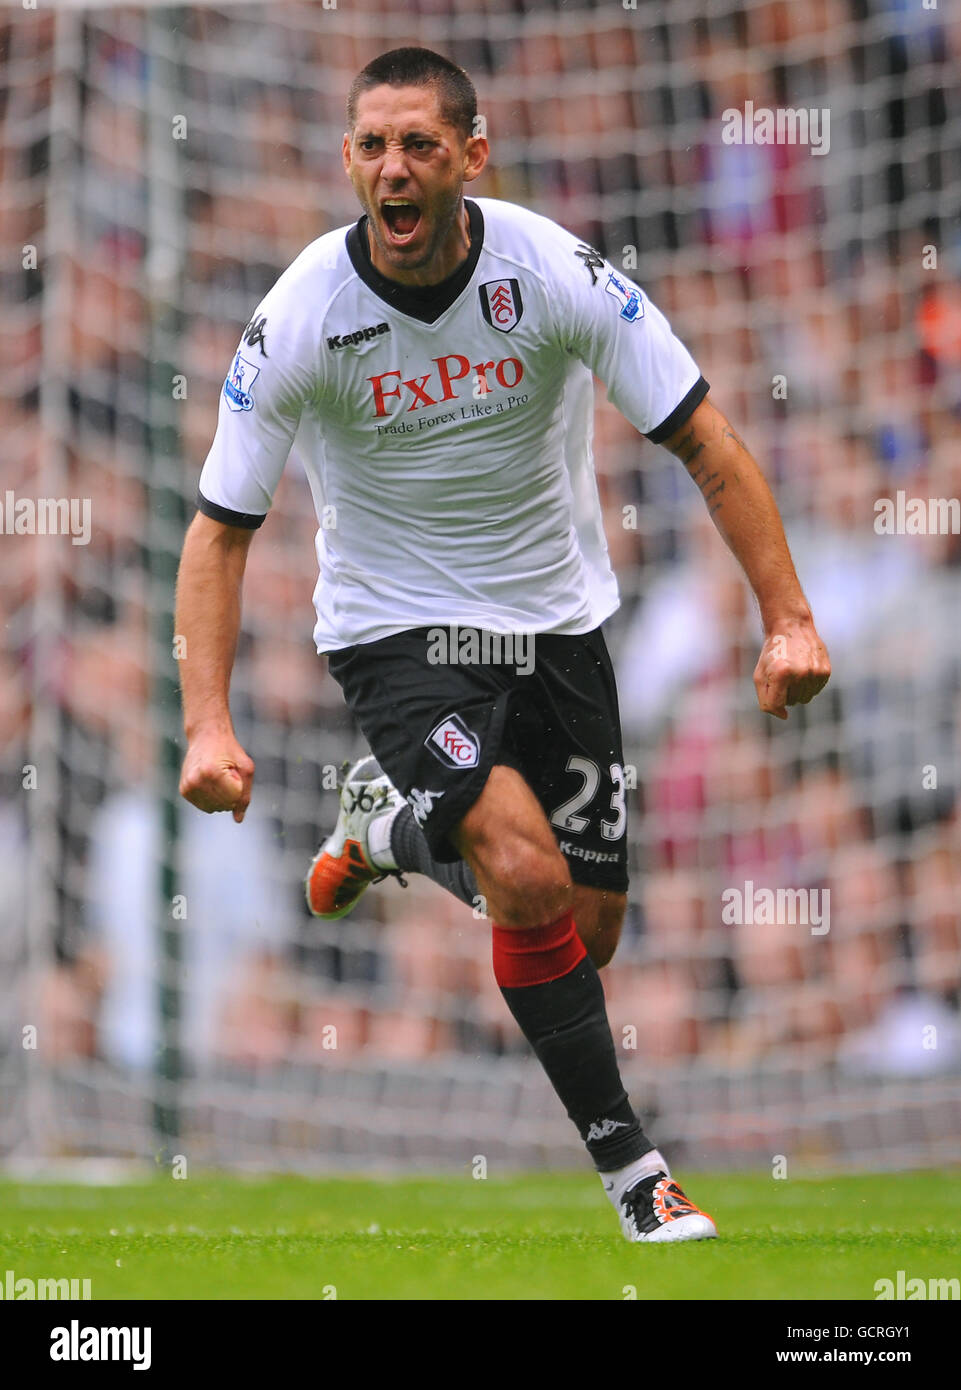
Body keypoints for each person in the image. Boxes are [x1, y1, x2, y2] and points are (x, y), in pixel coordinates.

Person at [176, 47, 831, 1243]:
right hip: (395, 628)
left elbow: (708, 441)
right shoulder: (302, 314)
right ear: (347, 161)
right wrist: (208, 722)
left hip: (558, 620)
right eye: (372, 145)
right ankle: (638, 1176)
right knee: (522, 874)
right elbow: (220, 532)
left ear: (472, 155)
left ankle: (389, 826)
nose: (393, 168)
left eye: (420, 144)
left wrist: (786, 617)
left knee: (584, 932)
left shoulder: (554, 273)